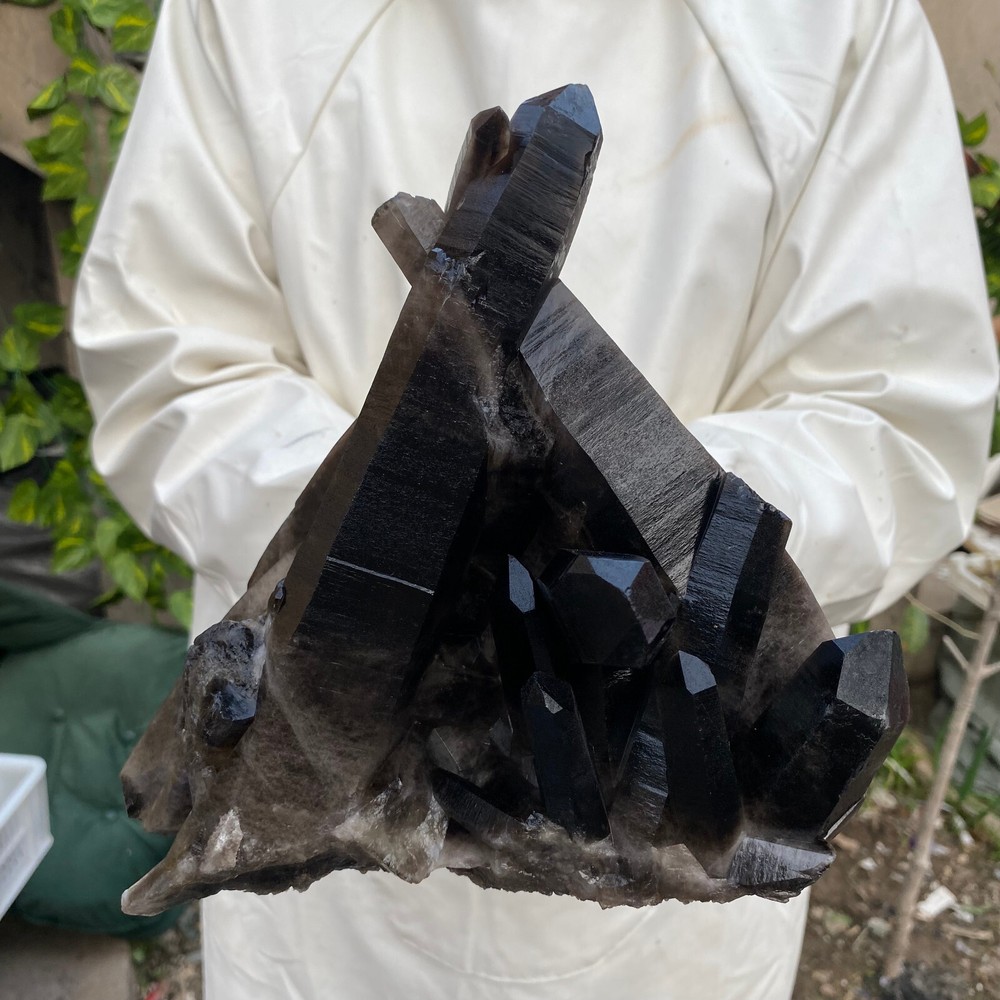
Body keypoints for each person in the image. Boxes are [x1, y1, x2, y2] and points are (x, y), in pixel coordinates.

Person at [72, 1, 998, 997]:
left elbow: (896, 416)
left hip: (670, 875)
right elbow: (170, 362)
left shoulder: (836, 22)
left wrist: (618, 541)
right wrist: (409, 539)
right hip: (330, 854)